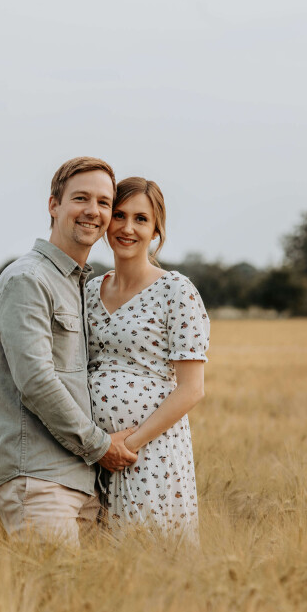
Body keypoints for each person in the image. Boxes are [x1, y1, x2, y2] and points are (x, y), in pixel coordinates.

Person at [0, 157, 138, 546]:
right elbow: (36, 381)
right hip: (40, 480)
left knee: (81, 606)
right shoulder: (29, 279)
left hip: (83, 483)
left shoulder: (80, 286)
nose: (93, 211)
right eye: (81, 198)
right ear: (53, 205)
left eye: (104, 203)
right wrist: (102, 447)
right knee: (51, 600)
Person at [85, 177, 210, 543]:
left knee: (152, 557)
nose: (127, 228)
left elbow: (191, 389)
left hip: (149, 455)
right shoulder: (90, 290)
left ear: (156, 229)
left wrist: (127, 446)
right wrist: (99, 446)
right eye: (119, 215)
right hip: (94, 455)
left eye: (141, 219)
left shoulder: (176, 290)